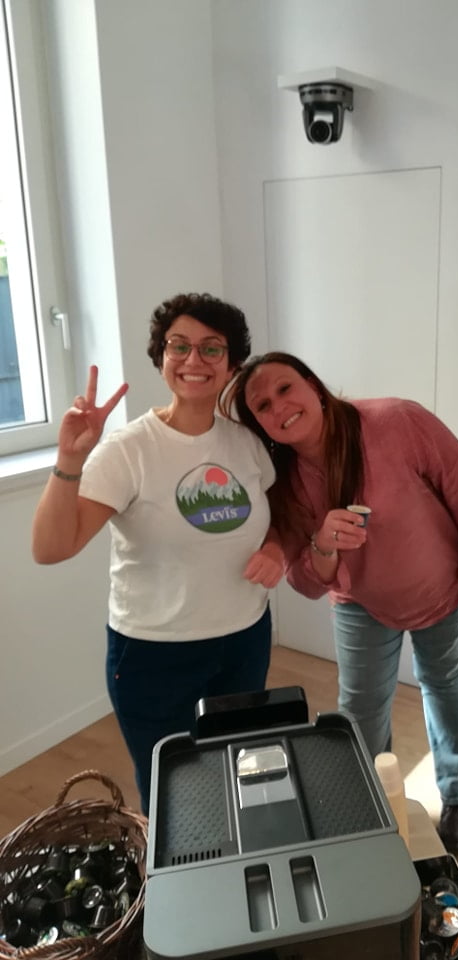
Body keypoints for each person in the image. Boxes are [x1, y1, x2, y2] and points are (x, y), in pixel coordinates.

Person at [225, 352, 458, 854]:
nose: (278, 407)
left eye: (285, 388)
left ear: (313, 385)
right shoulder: (282, 480)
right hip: (360, 602)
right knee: (361, 707)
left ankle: (456, 796)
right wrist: (323, 545)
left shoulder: (396, 420)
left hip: (445, 587)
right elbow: (307, 584)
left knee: (444, 684)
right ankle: (370, 805)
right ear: (257, 423)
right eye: (262, 405)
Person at [31, 293, 283, 814]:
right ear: (161, 356)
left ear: (232, 365)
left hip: (244, 639)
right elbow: (51, 548)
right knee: (174, 797)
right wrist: (69, 459)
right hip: (155, 654)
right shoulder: (128, 450)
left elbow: (278, 515)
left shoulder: (246, 443)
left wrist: (278, 548)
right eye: (179, 345)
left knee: (238, 772)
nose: (194, 360)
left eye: (212, 348)